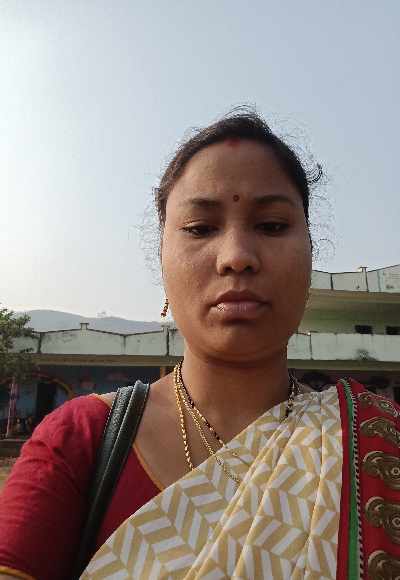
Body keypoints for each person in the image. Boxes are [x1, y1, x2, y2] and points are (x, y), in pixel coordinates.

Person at [1, 111, 399, 579]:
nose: (237, 257)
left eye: (272, 226)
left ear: (310, 254)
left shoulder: (375, 444)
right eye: (200, 228)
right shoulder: (80, 440)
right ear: (163, 260)